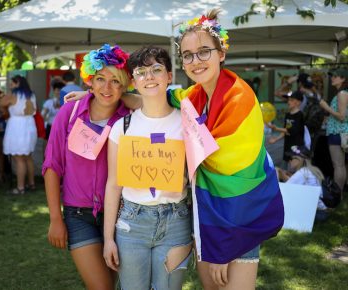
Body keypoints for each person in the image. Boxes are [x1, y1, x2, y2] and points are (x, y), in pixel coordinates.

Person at [65, 10, 284, 289]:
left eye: (204, 51)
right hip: (204, 220)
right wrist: (99, 93)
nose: (196, 60)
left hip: (237, 220)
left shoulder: (237, 98)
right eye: (189, 55)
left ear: (222, 53)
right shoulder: (194, 97)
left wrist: (223, 248)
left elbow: (233, 183)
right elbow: (155, 97)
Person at [42, 44, 131, 290]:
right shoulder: (69, 113)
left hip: (121, 214)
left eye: (115, 81)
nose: (107, 87)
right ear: (89, 80)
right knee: (101, 287)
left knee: (114, 284)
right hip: (78, 215)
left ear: (125, 85)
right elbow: (52, 167)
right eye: (100, 79)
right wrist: (55, 218)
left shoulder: (131, 117)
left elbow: (157, 101)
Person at [103, 46, 192, 290]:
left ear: (170, 77)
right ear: (133, 81)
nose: (149, 77)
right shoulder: (122, 127)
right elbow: (113, 184)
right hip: (131, 224)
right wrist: (108, 238)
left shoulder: (187, 124)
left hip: (176, 221)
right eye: (141, 72)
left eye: (156, 69)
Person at [0, 75, 37, 194]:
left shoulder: (13, 96)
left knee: (19, 158)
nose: (10, 85)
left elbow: (0, 103)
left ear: (18, 83)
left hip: (18, 127)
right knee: (28, 157)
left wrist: (2, 97)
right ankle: (31, 184)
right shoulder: (31, 95)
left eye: (12, 83)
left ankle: (20, 188)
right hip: (30, 124)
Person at [319, 68, 348, 196]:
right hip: (340, 132)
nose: (332, 78)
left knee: (339, 166)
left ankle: (337, 195)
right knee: (341, 165)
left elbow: (342, 116)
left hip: (338, 133)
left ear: (343, 79)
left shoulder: (342, 94)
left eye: (335, 76)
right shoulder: (343, 93)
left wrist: (326, 107)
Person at [277, 145, 327, 212]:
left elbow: (285, 190)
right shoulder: (309, 170)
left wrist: (281, 175)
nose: (289, 161)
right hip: (318, 208)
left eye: (291, 159)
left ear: (299, 160)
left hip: (315, 212)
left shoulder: (302, 173)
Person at [268, 91, 306, 165]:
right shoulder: (288, 115)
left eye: (292, 100)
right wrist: (276, 139)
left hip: (296, 147)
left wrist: (276, 128)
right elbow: (285, 130)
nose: (289, 102)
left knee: (294, 166)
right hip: (287, 146)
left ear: (298, 103)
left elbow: (292, 130)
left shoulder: (299, 115)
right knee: (286, 165)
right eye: (288, 100)